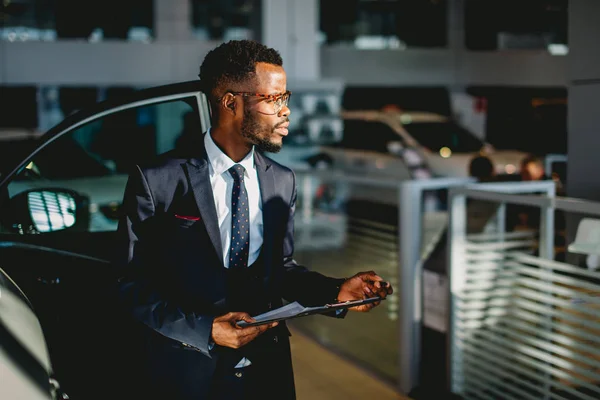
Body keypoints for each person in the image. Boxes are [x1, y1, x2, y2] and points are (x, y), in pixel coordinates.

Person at [115, 40, 393, 400]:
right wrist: (206, 329)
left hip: (266, 369)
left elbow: (280, 269)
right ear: (232, 102)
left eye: (286, 97)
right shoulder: (157, 178)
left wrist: (336, 291)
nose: (286, 111)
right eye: (273, 99)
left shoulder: (282, 180)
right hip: (186, 371)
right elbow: (129, 283)